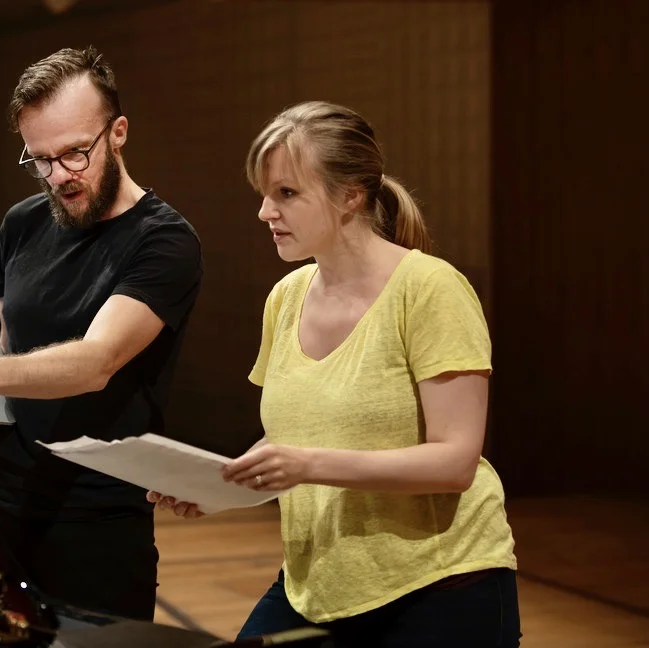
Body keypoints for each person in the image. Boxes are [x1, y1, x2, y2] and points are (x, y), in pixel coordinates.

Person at [149, 101, 520, 646]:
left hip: (441, 584)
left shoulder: (431, 289)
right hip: (318, 583)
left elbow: (455, 461)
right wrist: (219, 488)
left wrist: (305, 464)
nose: (264, 212)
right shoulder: (286, 297)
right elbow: (296, 439)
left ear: (351, 196)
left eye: (287, 194)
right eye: (265, 194)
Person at [0, 46, 203, 622]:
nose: (59, 176)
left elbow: (96, 362)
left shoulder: (164, 242)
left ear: (118, 133)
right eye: (40, 159)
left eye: (74, 153)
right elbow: (10, 345)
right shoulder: (20, 223)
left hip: (94, 518)